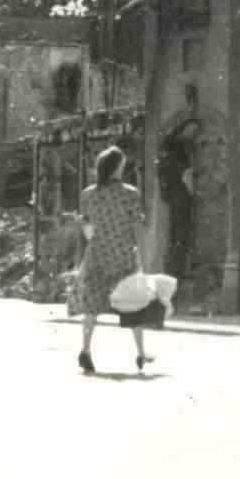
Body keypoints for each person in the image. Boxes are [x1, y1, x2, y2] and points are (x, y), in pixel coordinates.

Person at [69, 145, 150, 375]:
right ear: (117, 167)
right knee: (133, 303)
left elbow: (87, 228)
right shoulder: (130, 193)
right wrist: (141, 254)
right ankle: (141, 353)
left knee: (92, 306)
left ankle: (85, 350)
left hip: (97, 254)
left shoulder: (88, 194)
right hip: (123, 254)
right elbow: (137, 226)